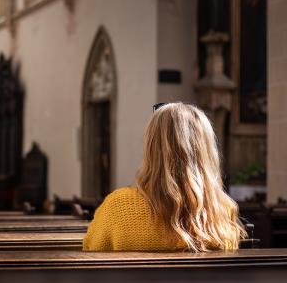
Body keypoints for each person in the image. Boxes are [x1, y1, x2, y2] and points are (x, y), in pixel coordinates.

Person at [83, 102, 246, 252]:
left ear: (151, 148)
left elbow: (90, 257)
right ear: (206, 152)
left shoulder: (118, 206)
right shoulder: (222, 213)